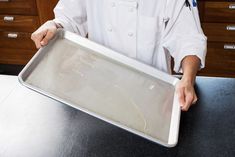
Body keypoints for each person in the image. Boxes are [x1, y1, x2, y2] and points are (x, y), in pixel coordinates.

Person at [31, 0, 207, 111]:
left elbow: (188, 37)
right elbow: (69, 18)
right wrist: (54, 25)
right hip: (99, 88)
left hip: (152, 94)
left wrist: (187, 79)